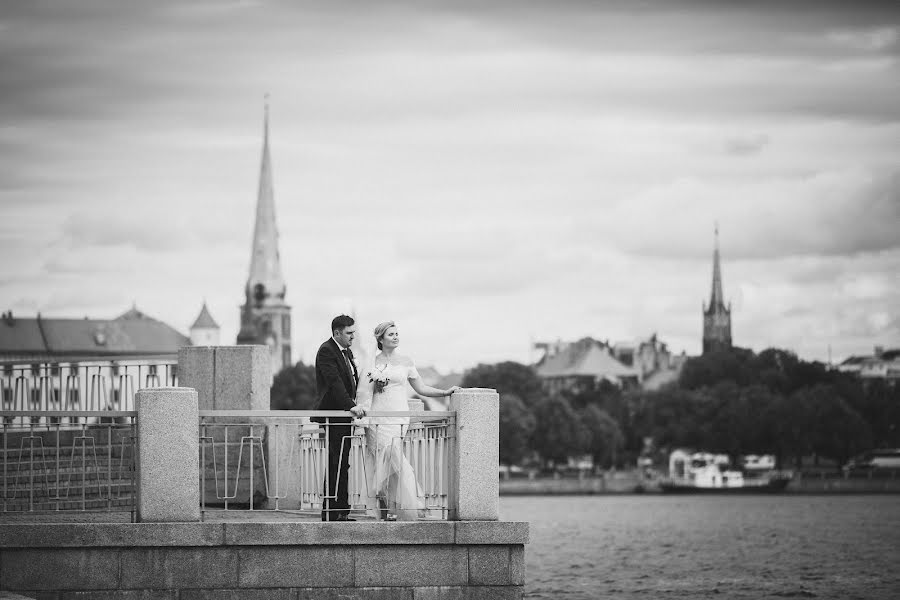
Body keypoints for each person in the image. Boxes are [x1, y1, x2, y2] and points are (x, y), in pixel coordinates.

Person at [354, 321, 460, 520]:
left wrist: (445, 392)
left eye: (396, 334)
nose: (395, 337)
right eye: (390, 334)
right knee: (381, 461)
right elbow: (364, 392)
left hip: (398, 418)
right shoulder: (371, 363)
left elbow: (421, 388)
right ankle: (383, 507)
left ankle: (395, 506)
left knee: (394, 460)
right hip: (378, 417)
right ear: (380, 339)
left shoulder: (406, 361)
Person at [314, 315, 367, 521]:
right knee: (336, 461)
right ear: (337, 333)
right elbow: (335, 384)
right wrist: (352, 407)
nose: (353, 336)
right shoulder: (327, 350)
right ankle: (331, 512)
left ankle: (340, 511)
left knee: (342, 462)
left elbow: (351, 382)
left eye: (354, 332)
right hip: (334, 415)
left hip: (343, 416)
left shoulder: (346, 352)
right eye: (349, 333)